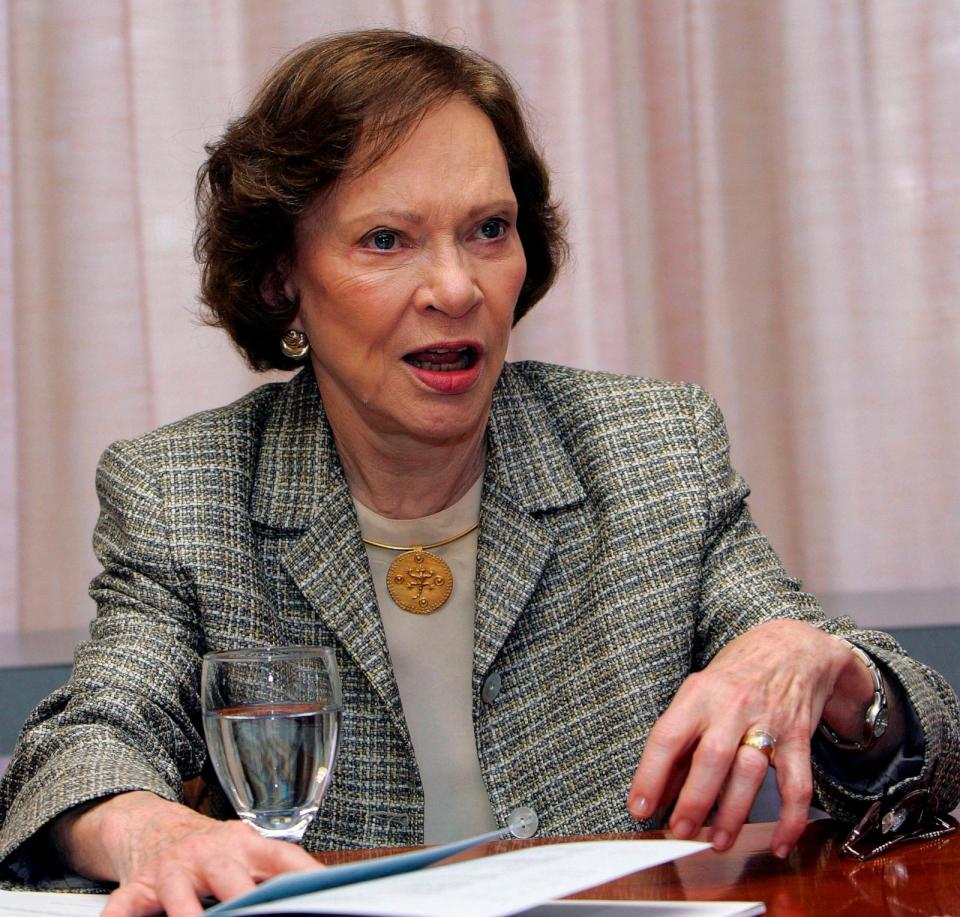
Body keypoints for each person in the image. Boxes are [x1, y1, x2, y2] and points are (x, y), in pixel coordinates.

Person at [1, 28, 958, 917]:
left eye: (488, 229)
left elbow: (931, 757)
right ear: (280, 278)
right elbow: (85, 742)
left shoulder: (650, 448)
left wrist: (827, 671)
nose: (456, 288)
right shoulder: (185, 489)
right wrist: (148, 825)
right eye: (388, 239)